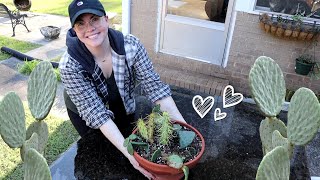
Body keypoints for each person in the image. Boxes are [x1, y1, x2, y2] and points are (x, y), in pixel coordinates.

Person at [59, 0, 186, 179]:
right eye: (81, 23)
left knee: (124, 134)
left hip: (120, 98)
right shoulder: (69, 66)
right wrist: (132, 156)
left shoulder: (131, 46)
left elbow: (156, 89)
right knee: (102, 151)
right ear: (74, 30)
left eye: (94, 19)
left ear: (106, 19)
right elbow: (97, 115)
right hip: (84, 112)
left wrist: (184, 129)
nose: (89, 28)